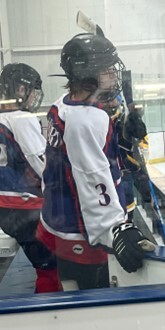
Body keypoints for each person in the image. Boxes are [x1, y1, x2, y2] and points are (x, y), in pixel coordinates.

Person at [36, 33, 153, 290]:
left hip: (56, 222)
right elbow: (92, 180)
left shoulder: (61, 106)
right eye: (107, 69)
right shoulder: (87, 121)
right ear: (88, 74)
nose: (114, 75)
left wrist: (120, 134)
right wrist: (115, 230)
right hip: (79, 237)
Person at [0, 63, 61, 292]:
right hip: (24, 205)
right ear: (21, 90)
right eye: (31, 90)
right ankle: (50, 312)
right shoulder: (21, 118)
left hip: (5, 205)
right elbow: (42, 163)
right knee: (51, 264)